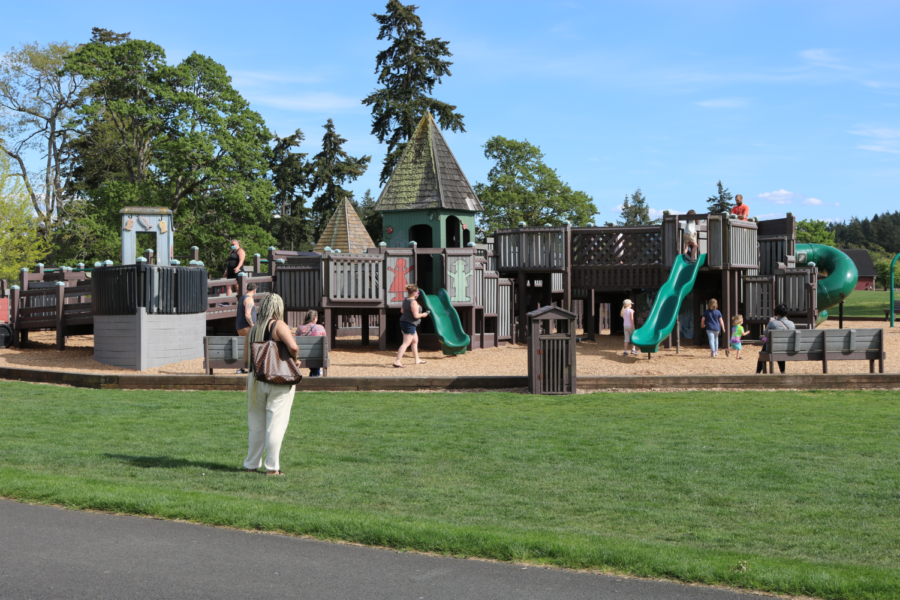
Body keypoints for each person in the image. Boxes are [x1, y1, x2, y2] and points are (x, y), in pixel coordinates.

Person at [243, 294, 299, 476]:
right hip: (278, 378)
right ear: (277, 308)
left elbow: (245, 360)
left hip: (255, 379)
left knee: (256, 425)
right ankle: (272, 468)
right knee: (276, 423)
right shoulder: (278, 325)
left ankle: (251, 464)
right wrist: (295, 360)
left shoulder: (252, 329)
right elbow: (294, 347)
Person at [393, 284, 429, 368]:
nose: (418, 294)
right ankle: (397, 361)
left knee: (415, 340)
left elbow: (402, 311)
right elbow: (416, 315)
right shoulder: (413, 302)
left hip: (405, 322)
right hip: (410, 324)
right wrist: (423, 314)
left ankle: (417, 359)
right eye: (418, 292)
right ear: (414, 293)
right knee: (406, 343)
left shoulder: (405, 300)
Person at [756, 304, 795, 375]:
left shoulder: (772, 323)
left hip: (774, 348)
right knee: (780, 347)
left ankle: (757, 372)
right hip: (788, 348)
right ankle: (782, 372)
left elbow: (765, 333)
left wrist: (770, 322)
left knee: (768, 348)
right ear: (786, 313)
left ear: (776, 313)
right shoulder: (791, 323)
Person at [234, 283, 258, 374]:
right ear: (254, 290)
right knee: (253, 346)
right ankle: (253, 367)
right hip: (247, 327)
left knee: (243, 347)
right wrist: (252, 325)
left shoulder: (242, 298)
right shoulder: (249, 299)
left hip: (239, 326)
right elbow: (247, 314)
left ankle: (241, 368)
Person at [296, 309, 326, 377]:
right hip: (318, 355)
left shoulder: (300, 328)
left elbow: (296, 339)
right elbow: (325, 340)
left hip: (302, 355)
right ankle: (316, 374)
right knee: (315, 357)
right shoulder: (320, 328)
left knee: (313, 358)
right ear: (315, 318)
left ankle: (316, 372)